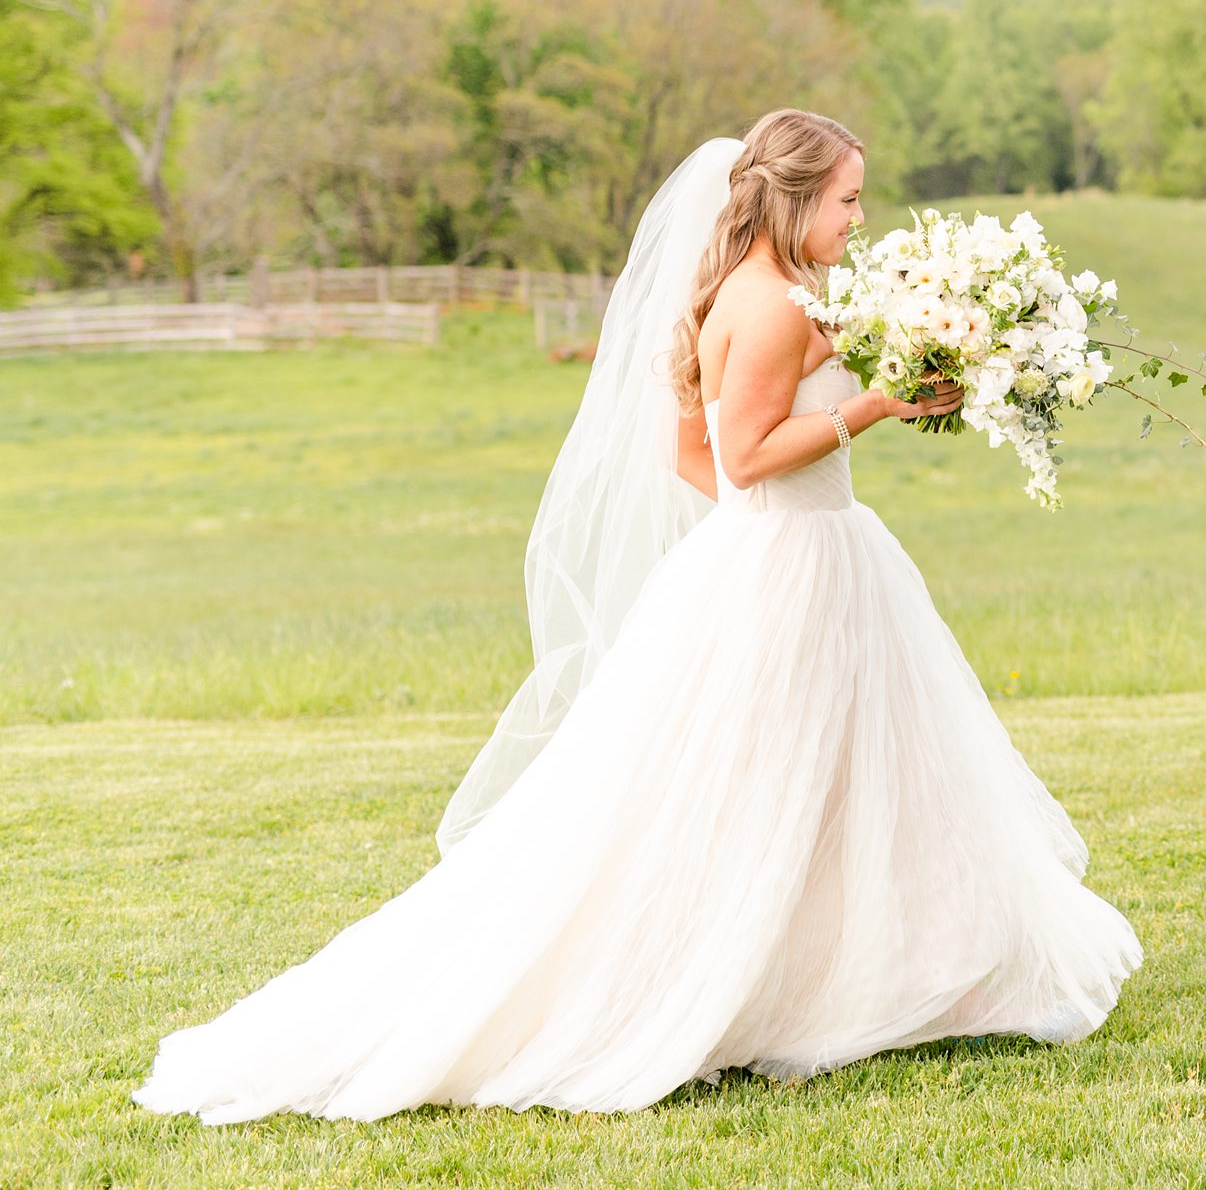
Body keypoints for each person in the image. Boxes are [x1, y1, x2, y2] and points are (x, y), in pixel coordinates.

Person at [137, 110, 1141, 1122]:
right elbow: (743, 456)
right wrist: (866, 416)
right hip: (793, 564)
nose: (859, 216)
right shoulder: (773, 305)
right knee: (781, 780)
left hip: (788, 556)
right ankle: (762, 981)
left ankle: (885, 969)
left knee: (844, 774)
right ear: (791, 198)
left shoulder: (762, 297)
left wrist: (796, 495)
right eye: (845, 198)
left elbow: (691, 457)